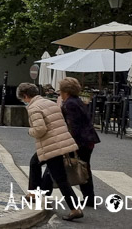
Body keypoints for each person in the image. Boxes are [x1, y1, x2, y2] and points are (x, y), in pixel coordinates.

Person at [18, 82, 83, 221]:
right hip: (58, 142)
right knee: (34, 162)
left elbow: (40, 129)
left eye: (23, 98)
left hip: (51, 146)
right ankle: (33, 194)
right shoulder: (50, 103)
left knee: (60, 179)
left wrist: (30, 131)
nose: (24, 101)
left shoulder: (33, 107)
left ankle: (75, 209)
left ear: (25, 96)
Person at [41, 78, 99, 207]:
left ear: (65, 91)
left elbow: (72, 126)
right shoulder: (77, 101)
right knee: (83, 167)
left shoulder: (70, 104)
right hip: (87, 140)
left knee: (54, 165)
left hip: (80, 141)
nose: (59, 92)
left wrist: (66, 143)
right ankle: (89, 198)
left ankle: (42, 194)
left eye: (60, 90)